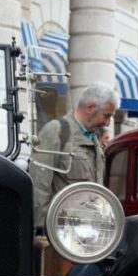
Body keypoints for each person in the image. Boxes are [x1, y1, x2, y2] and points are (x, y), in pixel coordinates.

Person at [30, 82, 118, 225]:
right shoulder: (56, 131)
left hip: (89, 233)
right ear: (90, 108)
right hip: (62, 235)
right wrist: (42, 231)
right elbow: (39, 187)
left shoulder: (94, 139)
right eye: (106, 116)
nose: (108, 123)